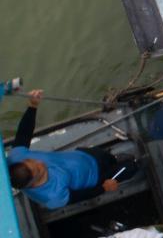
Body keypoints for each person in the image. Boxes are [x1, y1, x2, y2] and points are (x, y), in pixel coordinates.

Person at [6, 89, 139, 209]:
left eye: (31, 160)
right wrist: (103, 188)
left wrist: (32, 105)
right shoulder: (53, 198)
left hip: (84, 156)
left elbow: (24, 132)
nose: (40, 162)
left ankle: (114, 159)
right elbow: (79, 196)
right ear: (32, 184)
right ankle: (136, 163)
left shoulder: (16, 157)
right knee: (131, 168)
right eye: (39, 169)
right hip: (96, 178)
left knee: (106, 156)